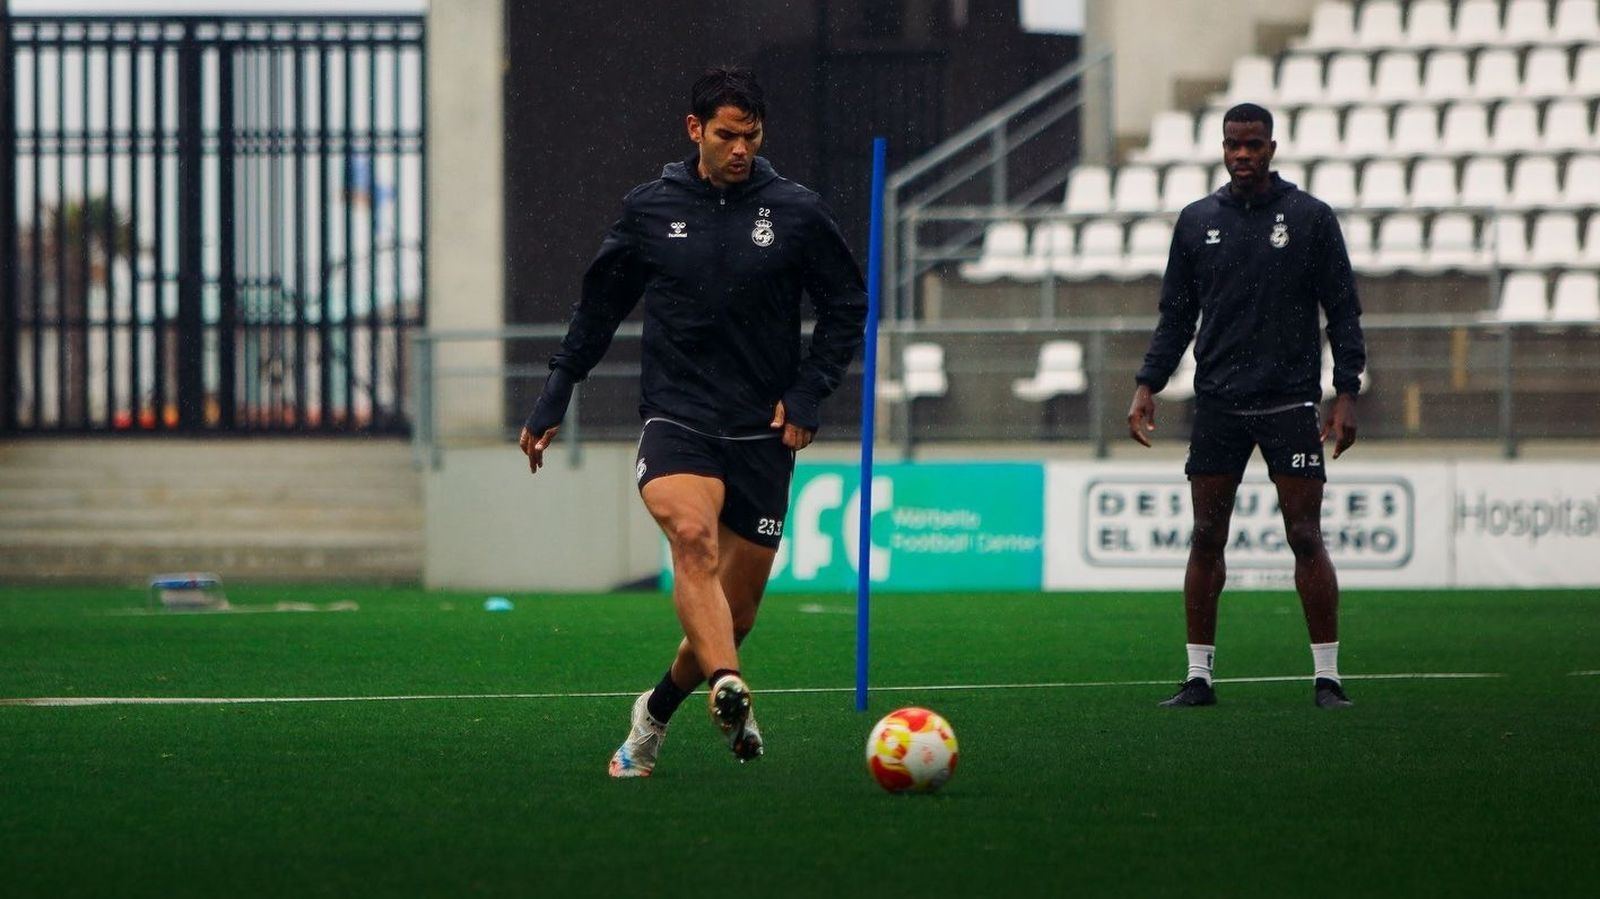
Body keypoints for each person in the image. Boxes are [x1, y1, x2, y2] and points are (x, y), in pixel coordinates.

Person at [519, 66, 867, 775]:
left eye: (752, 136)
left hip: (764, 431)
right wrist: (558, 388)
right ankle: (727, 685)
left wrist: (809, 394)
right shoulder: (650, 207)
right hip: (677, 416)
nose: (740, 149)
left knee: (731, 621)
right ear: (694, 130)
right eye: (726, 136)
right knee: (690, 534)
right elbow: (600, 305)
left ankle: (653, 714)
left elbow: (847, 307)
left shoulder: (796, 211)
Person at [1126, 102, 1366, 710]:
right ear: (1223, 147)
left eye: (1253, 145)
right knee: (1207, 535)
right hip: (1219, 402)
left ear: (1272, 148)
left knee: (1304, 535)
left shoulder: (1309, 218)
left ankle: (1328, 677)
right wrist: (1148, 382)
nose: (1242, 155)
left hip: (1289, 401)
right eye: (1233, 144)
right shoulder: (1196, 221)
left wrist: (1346, 392)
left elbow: (1343, 310)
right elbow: (1176, 316)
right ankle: (1199, 677)